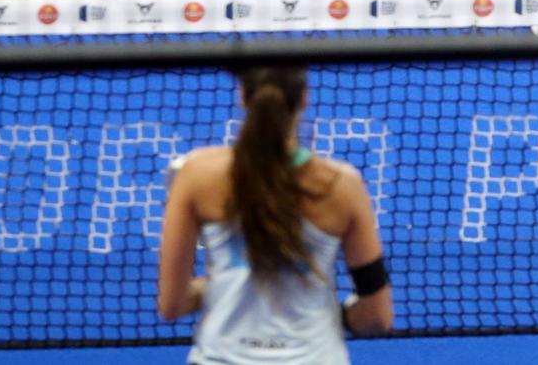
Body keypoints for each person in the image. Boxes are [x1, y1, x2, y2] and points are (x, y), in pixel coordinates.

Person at [159, 65, 393, 362]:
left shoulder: (196, 175)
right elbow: (377, 317)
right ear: (304, 99)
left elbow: (172, 304)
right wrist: (338, 313)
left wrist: (219, 281)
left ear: (243, 97)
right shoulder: (341, 186)